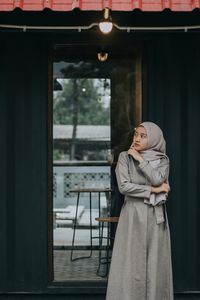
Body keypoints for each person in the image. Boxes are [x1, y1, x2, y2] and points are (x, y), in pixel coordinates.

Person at [106, 121, 173, 300]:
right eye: (136, 134)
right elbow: (124, 187)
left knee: (154, 263)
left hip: (155, 216)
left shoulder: (162, 160)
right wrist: (153, 190)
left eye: (143, 136)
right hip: (133, 214)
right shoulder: (123, 157)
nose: (137, 139)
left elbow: (158, 178)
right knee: (130, 262)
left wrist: (140, 159)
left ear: (154, 139)